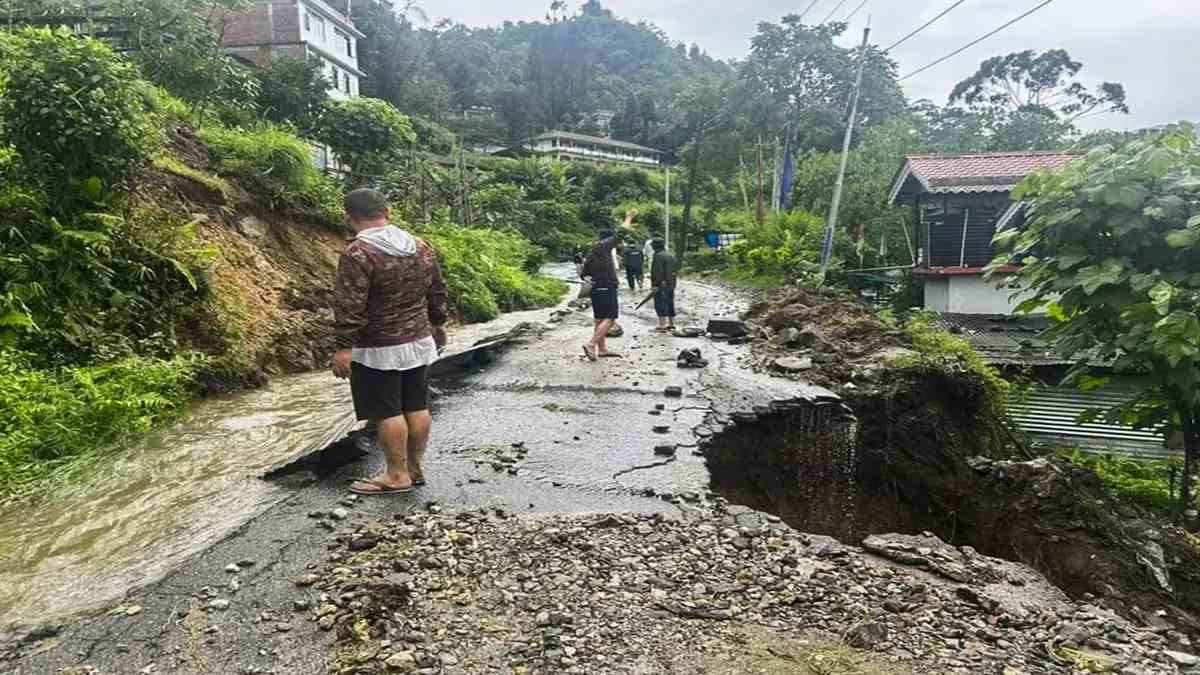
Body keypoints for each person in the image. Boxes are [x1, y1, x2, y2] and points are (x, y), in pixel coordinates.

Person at [331, 188, 447, 495]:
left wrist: (344, 346)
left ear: (349, 217)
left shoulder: (358, 253)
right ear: (388, 212)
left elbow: (350, 304)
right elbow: (436, 290)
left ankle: (396, 475)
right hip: (419, 341)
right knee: (416, 405)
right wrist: (437, 323)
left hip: (377, 349)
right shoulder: (420, 246)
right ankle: (414, 468)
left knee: (387, 411)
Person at [650, 238, 678, 333]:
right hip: (671, 283)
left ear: (654, 246)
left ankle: (662, 325)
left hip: (661, 284)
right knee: (670, 302)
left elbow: (657, 271)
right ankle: (671, 324)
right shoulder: (671, 255)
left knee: (660, 303)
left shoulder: (658, 256)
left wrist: (655, 284)